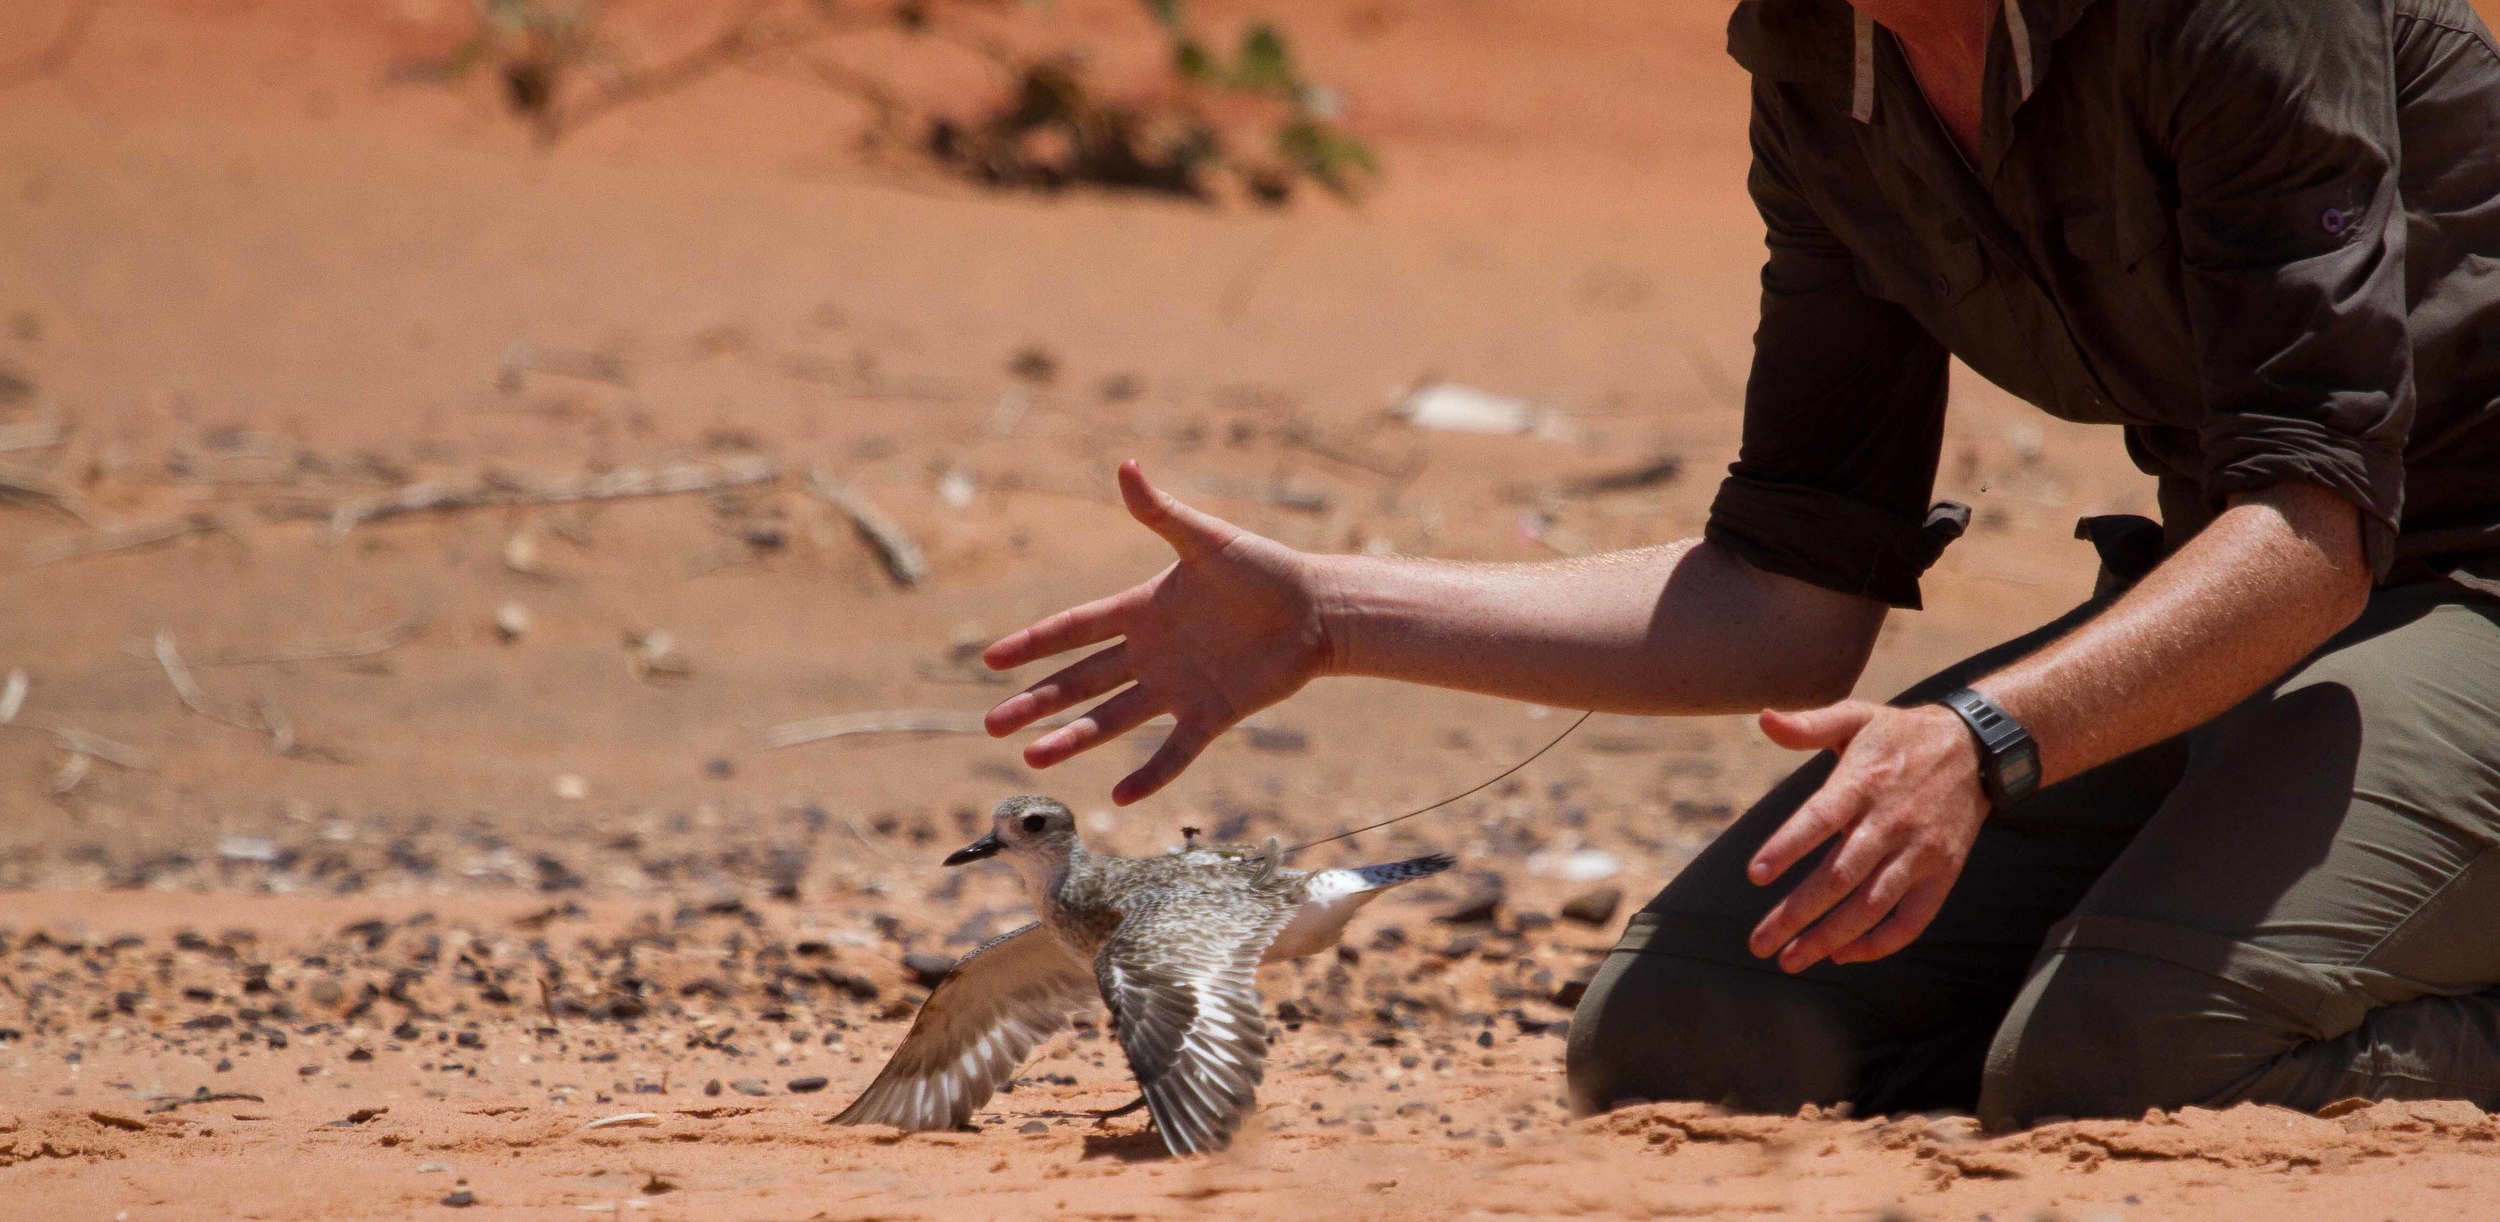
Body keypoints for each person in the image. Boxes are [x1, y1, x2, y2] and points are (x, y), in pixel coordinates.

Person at [979, 0, 2500, 1129]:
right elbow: (1789, 598)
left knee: (2139, 1057)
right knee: (1692, 1034)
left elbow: (2311, 524)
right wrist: (1330, 613)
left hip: (2444, 586)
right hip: (2254, 603)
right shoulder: (1821, 64)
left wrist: (1980, 745)